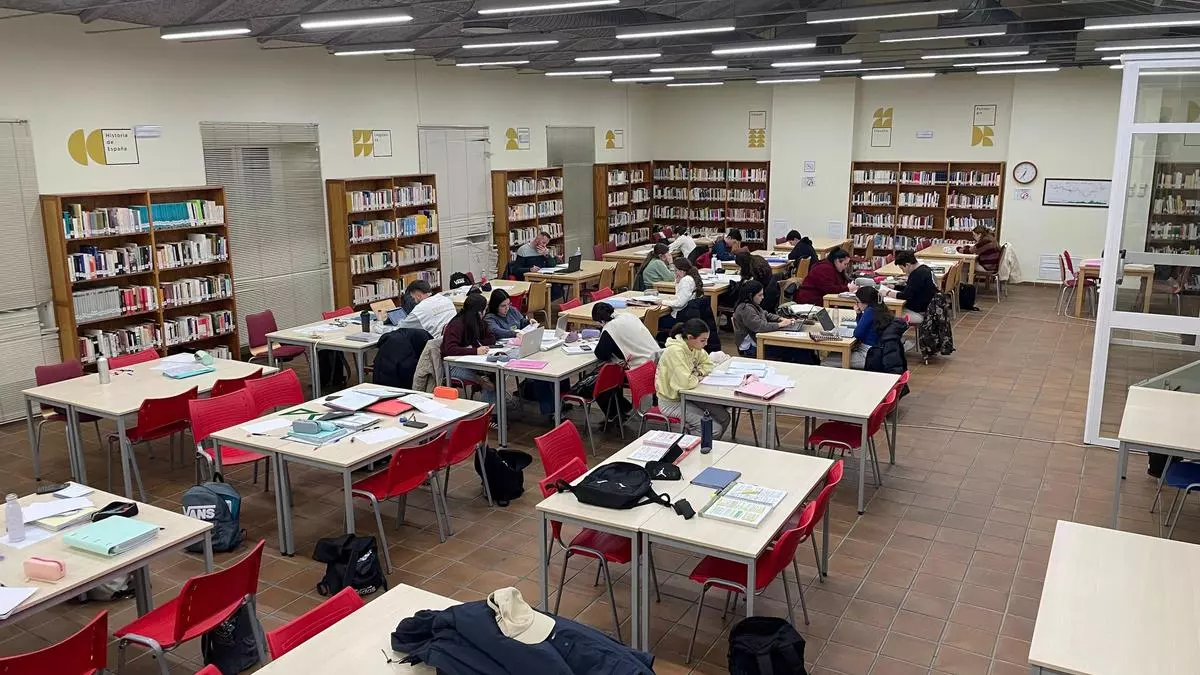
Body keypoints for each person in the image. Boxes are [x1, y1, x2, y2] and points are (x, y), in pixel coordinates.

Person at [586, 301, 663, 421]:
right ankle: (623, 409)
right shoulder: (629, 316)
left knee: (605, 379)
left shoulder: (610, 327)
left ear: (601, 321)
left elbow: (601, 354)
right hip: (657, 361)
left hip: (641, 370)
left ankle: (616, 413)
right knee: (612, 374)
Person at [655, 319, 730, 437]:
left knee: (724, 417)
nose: (706, 344)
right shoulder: (675, 351)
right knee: (713, 429)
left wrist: (697, 373)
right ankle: (686, 444)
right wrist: (696, 377)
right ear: (690, 337)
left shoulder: (693, 347)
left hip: (689, 396)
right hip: (671, 402)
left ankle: (709, 444)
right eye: (703, 340)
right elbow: (685, 383)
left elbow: (708, 364)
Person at [442, 293, 497, 405]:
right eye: (484, 310)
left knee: (494, 374)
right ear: (479, 312)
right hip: (452, 366)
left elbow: (491, 338)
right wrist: (475, 351)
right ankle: (489, 409)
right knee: (488, 379)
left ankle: (492, 409)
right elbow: (449, 349)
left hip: (471, 362)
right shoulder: (456, 324)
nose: (485, 313)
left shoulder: (478, 322)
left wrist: (475, 346)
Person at [732, 280, 794, 357]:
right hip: (752, 348)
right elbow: (760, 326)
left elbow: (765, 314)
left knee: (791, 349)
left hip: (756, 342)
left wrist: (780, 318)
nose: (763, 297)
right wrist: (780, 325)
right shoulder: (746, 309)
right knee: (791, 349)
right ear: (751, 295)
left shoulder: (752, 304)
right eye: (760, 295)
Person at [881, 251, 937, 324]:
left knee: (887, 313)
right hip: (930, 309)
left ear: (907, 265)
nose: (903, 272)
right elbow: (912, 288)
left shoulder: (916, 275)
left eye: (902, 268)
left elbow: (906, 295)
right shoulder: (925, 269)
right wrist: (894, 287)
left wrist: (887, 293)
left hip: (920, 313)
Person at [850, 285, 892, 369]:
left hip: (869, 354)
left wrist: (859, 315)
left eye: (857, 301)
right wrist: (859, 314)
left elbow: (857, 333)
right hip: (880, 352)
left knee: (830, 360)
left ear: (865, 302)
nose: (856, 304)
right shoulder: (881, 308)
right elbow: (863, 327)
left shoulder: (869, 311)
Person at [659, 257, 704, 334]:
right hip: (688, 315)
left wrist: (661, 302)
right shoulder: (691, 277)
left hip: (681, 317)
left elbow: (680, 303)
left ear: (682, 270)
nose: (675, 273)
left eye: (676, 270)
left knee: (655, 320)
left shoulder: (686, 280)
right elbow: (680, 296)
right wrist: (677, 282)